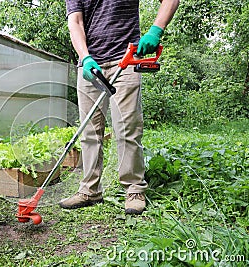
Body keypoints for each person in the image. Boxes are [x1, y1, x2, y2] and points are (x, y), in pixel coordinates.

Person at [59, 0, 179, 214]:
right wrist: (85, 57)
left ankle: (134, 189)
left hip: (126, 59)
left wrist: (155, 31)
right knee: (89, 131)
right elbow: (75, 22)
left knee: (127, 127)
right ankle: (89, 189)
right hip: (89, 64)